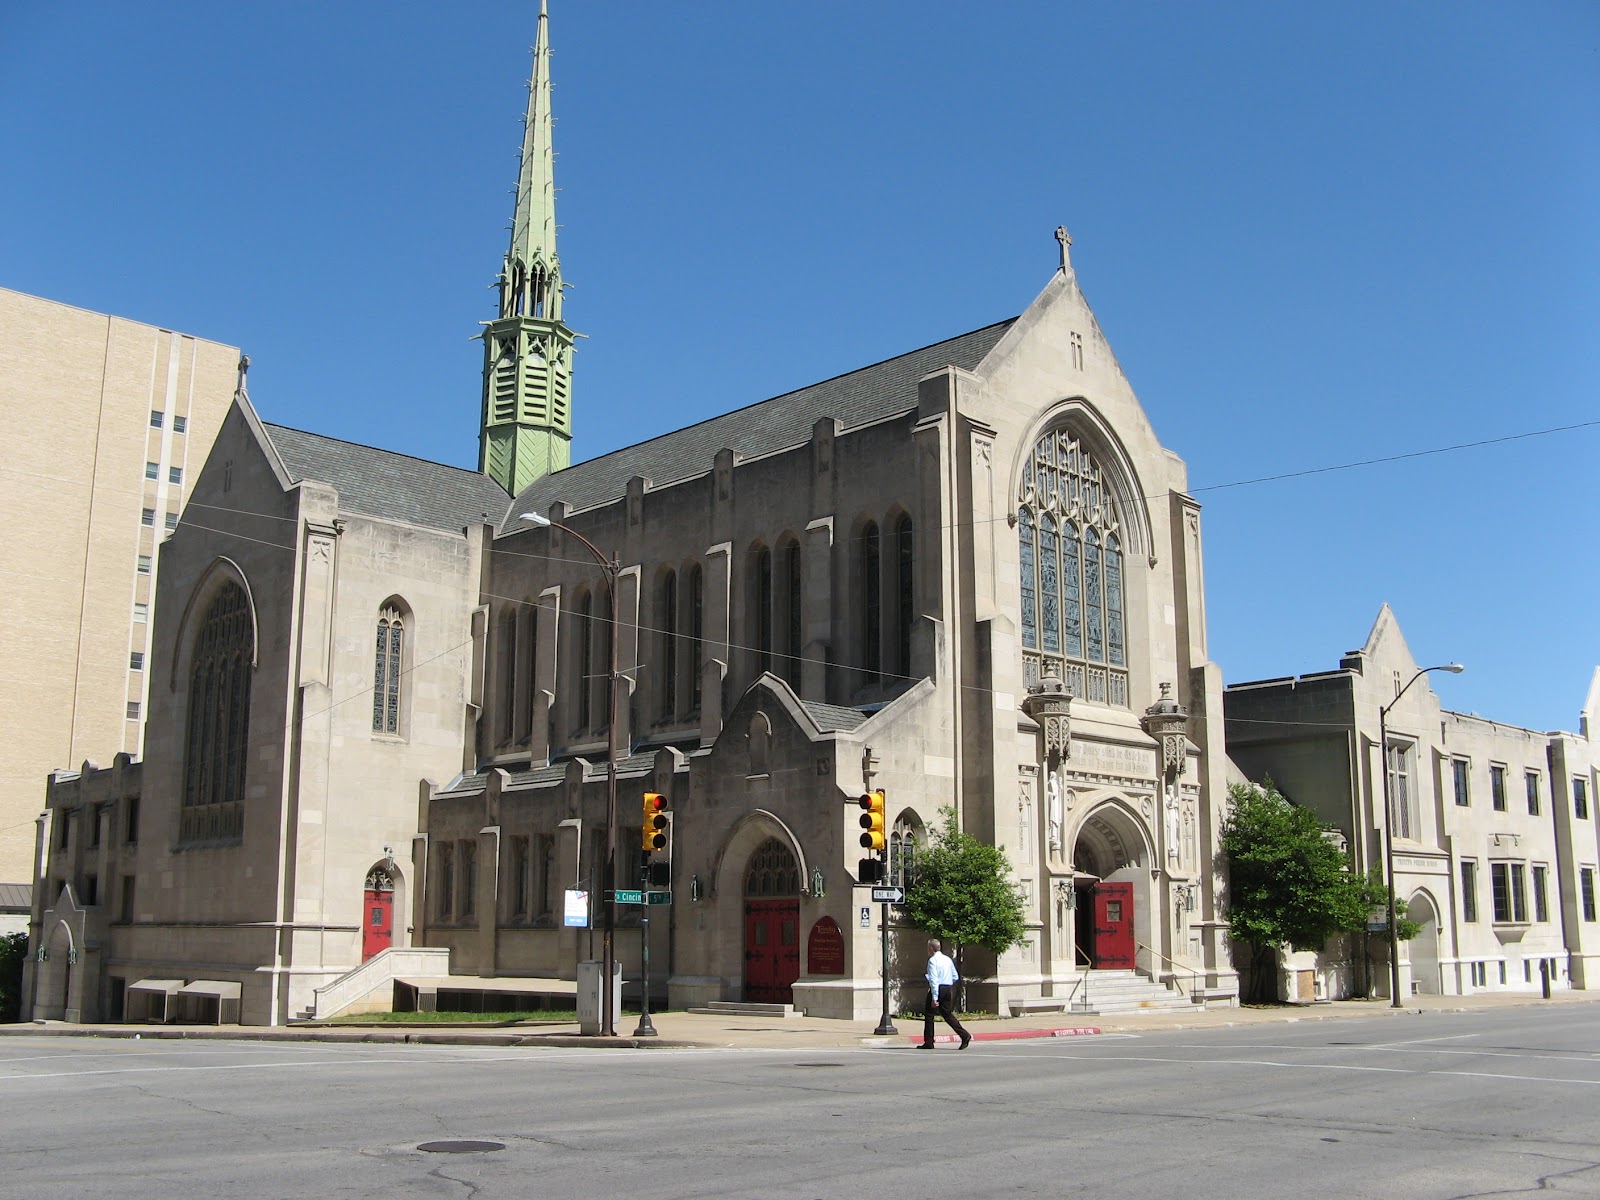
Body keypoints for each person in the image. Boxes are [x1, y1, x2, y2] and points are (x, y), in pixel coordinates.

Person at [921, 938, 970, 1049]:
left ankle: (929, 1041)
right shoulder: (947, 959)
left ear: (931, 948)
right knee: (947, 1014)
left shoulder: (933, 960)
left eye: (928, 947)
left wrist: (934, 997)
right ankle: (964, 1035)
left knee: (929, 1015)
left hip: (938, 988)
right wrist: (947, 982)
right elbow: (955, 976)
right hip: (947, 988)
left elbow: (934, 980)